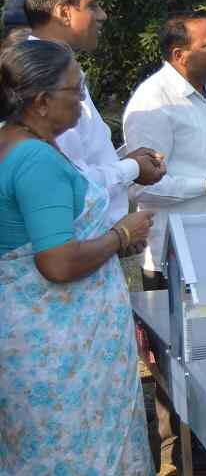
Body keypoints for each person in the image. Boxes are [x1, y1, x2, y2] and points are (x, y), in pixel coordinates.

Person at [0, 39, 154, 474]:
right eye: (76, 89)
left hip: (43, 344)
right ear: (42, 101)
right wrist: (122, 235)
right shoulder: (34, 159)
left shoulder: (16, 143)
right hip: (60, 354)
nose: (83, 99)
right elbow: (58, 262)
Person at [123, 9, 206, 473]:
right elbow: (141, 185)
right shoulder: (153, 102)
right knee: (175, 371)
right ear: (180, 55)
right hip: (175, 257)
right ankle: (177, 458)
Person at [25, 0, 165, 227]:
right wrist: (132, 168)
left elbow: (81, 161)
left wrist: (126, 163)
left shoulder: (59, 68)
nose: (103, 15)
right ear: (64, 12)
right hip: (70, 252)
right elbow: (67, 179)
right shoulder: (42, 77)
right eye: (93, 6)